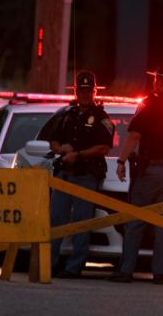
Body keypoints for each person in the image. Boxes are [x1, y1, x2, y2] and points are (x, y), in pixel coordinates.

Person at [109, 62, 163, 285]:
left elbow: (133, 137)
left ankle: (127, 270)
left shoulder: (148, 106)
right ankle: (160, 273)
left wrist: (120, 162)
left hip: (148, 172)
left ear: (159, 81)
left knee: (136, 222)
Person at [47, 71, 115, 278]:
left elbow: (104, 147)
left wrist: (79, 154)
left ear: (94, 91)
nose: (84, 94)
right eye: (80, 90)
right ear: (76, 91)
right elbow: (53, 141)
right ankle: (49, 263)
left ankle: (74, 267)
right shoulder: (67, 114)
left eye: (88, 90)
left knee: (81, 222)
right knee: (55, 219)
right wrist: (62, 151)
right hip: (65, 174)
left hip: (86, 175)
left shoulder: (102, 117)